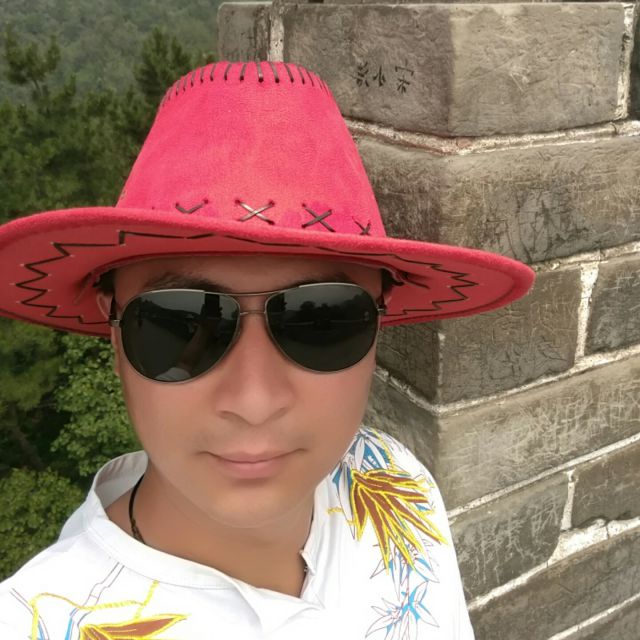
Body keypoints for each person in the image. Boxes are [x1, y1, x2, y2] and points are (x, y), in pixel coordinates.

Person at [0, 60, 534, 639]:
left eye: (322, 319)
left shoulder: (397, 484)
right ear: (113, 325)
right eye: (179, 323)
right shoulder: (37, 622)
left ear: (380, 320)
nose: (254, 401)